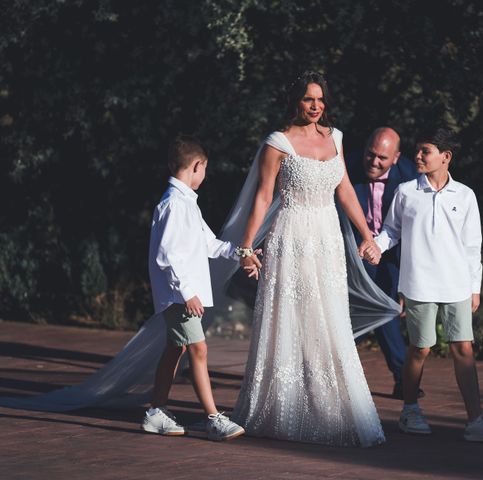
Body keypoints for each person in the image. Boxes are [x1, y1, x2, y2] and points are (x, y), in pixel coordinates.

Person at [231, 71, 386, 447]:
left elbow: (345, 189)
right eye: (307, 99)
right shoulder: (278, 143)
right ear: (295, 101)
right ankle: (282, 410)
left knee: (329, 320)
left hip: (328, 239)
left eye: (320, 99)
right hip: (292, 237)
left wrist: (367, 237)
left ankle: (332, 411)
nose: (315, 106)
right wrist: (247, 247)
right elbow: (264, 197)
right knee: (292, 320)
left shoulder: (336, 138)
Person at [375, 128, 483, 442]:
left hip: (457, 285)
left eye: (425, 151)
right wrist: (375, 247)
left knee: (463, 348)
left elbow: (472, 246)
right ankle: (410, 411)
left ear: (445, 157)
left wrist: (474, 287)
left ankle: (476, 421)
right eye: (418, 150)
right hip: (419, 284)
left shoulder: (465, 195)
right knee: (420, 348)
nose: (418, 156)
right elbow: (390, 232)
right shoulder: (406, 191)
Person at [142, 135, 245, 441]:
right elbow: (166, 254)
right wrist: (187, 292)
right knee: (198, 349)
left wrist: (241, 253)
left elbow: (209, 244)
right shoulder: (174, 204)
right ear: (197, 166)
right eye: (204, 169)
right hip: (178, 295)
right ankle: (213, 419)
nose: (205, 175)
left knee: (177, 348)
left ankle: (155, 412)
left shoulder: (187, 203)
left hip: (181, 295)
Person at [346, 127, 423, 400]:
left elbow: (415, 233)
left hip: (393, 252)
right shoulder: (346, 167)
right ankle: (403, 378)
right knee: (371, 309)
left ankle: (333, 364)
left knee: (386, 309)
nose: (374, 162)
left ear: (396, 157)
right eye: (371, 154)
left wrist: (407, 280)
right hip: (353, 250)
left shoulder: (411, 179)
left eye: (382, 157)